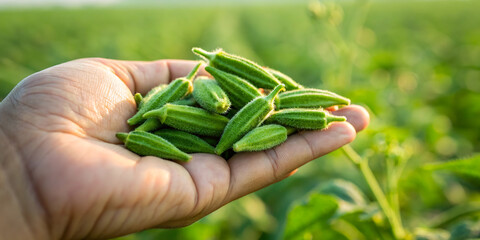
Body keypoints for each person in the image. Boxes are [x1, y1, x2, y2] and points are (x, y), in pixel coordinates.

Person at [0, 58, 369, 239]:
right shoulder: (176, 109)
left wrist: (20, 167)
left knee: (231, 124)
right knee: (221, 127)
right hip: (178, 124)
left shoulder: (246, 108)